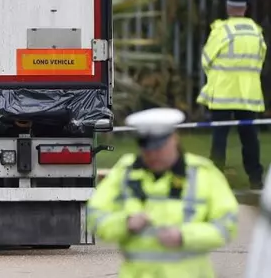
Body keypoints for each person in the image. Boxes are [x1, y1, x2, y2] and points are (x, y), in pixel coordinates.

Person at [87, 107, 239, 277]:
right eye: (147, 150)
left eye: (159, 149)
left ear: (174, 139)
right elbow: (95, 216)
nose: (153, 155)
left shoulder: (203, 173)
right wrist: (125, 223)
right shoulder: (125, 171)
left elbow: (227, 224)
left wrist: (184, 236)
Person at [196, 0, 267, 189]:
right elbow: (260, 59)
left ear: (228, 8)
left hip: (223, 93)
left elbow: (206, 59)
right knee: (250, 137)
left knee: (220, 137)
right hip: (248, 94)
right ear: (245, 9)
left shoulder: (222, 30)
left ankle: (216, 178)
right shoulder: (256, 31)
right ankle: (256, 179)